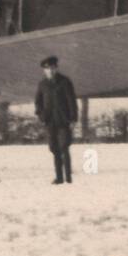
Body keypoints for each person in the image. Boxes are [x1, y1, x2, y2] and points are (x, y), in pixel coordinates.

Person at [34, 55, 78, 184]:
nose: (50, 71)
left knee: (64, 146)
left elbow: (71, 101)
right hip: (50, 122)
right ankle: (59, 178)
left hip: (64, 120)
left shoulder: (65, 81)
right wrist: (41, 116)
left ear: (56, 68)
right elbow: (38, 102)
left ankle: (68, 178)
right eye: (48, 69)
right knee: (54, 148)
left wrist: (73, 119)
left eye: (52, 68)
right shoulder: (42, 84)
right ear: (44, 70)